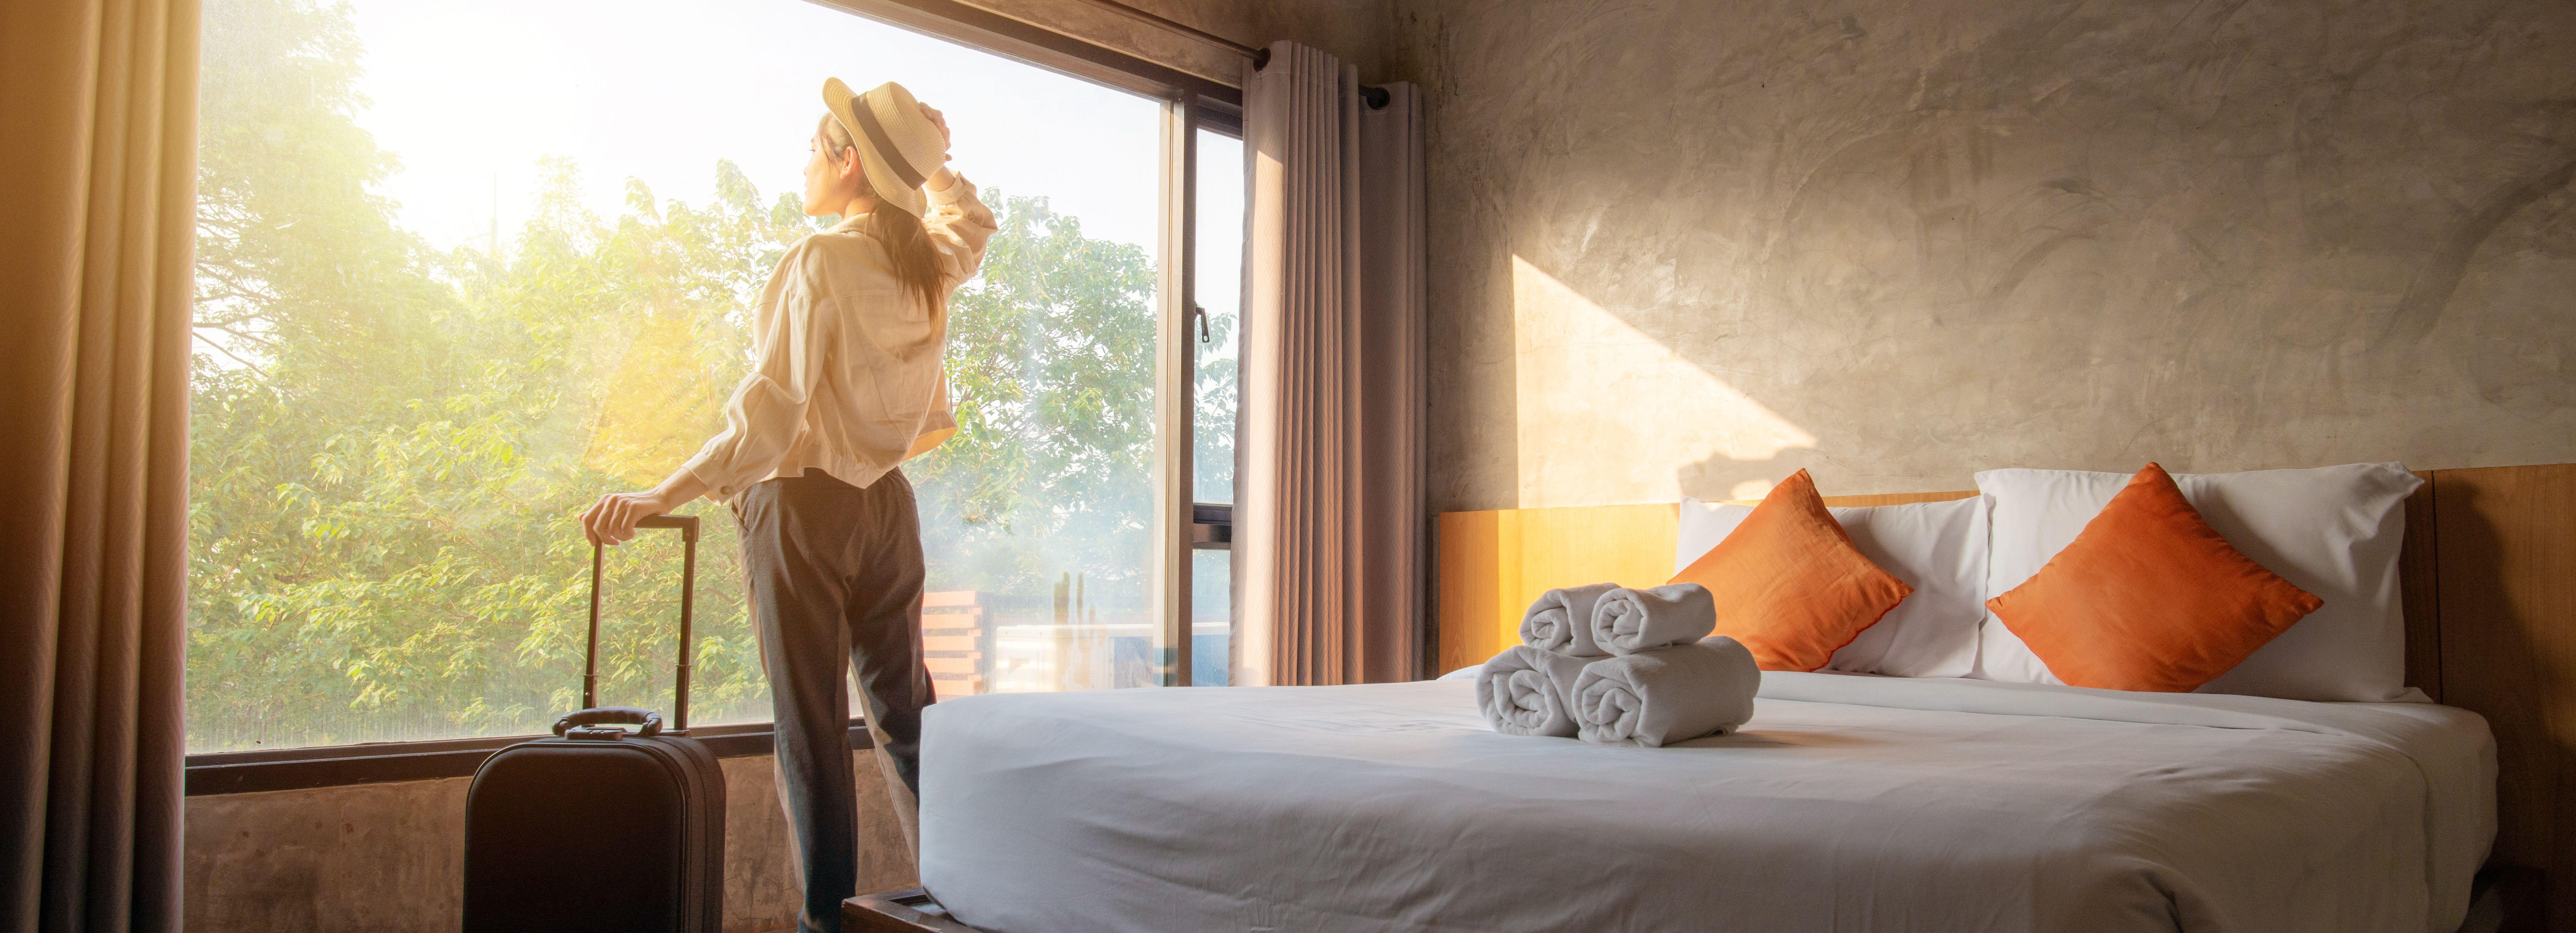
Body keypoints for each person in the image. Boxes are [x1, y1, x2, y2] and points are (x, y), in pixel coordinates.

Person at [580, 78, 995, 933]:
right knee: (906, 722)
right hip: (888, 513)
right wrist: (941, 169)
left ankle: (825, 925)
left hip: (803, 509)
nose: (803, 165)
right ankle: (965, 905)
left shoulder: (822, 261)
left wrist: (662, 491)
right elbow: (971, 226)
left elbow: (770, 408)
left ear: (848, 164)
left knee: (810, 734)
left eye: (815, 149)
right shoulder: (924, 263)